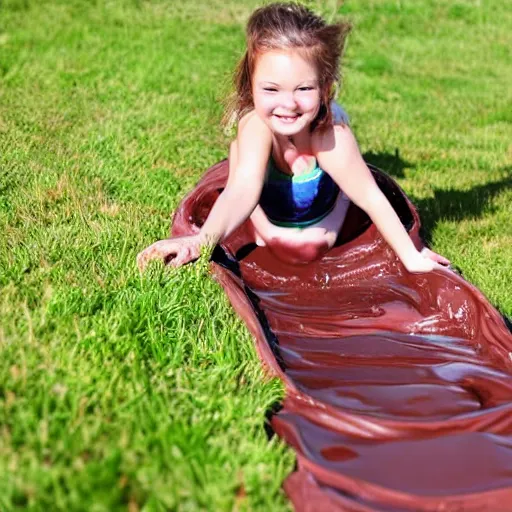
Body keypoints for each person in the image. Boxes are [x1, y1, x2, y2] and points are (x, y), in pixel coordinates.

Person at [137, 2, 449, 271]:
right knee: (252, 178)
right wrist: (200, 241)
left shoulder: (329, 137)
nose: (288, 104)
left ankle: (337, 191)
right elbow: (242, 189)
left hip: (320, 206)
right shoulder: (256, 124)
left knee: (311, 246)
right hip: (267, 198)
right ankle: (258, 199)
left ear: (324, 90)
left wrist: (412, 255)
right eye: (271, 89)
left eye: (304, 89)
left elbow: (369, 196)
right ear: (251, 86)